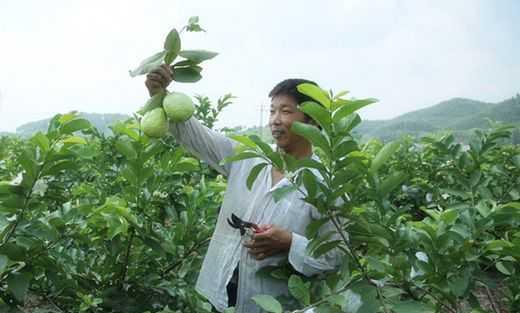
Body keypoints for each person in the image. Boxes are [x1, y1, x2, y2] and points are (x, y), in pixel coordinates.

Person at [145, 65, 342, 313]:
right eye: (272, 111)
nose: (275, 120)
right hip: (220, 293)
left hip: (274, 304)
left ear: (312, 120)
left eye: (286, 111)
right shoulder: (249, 157)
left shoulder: (324, 185)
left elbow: (335, 257)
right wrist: (160, 95)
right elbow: (196, 137)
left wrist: (290, 242)